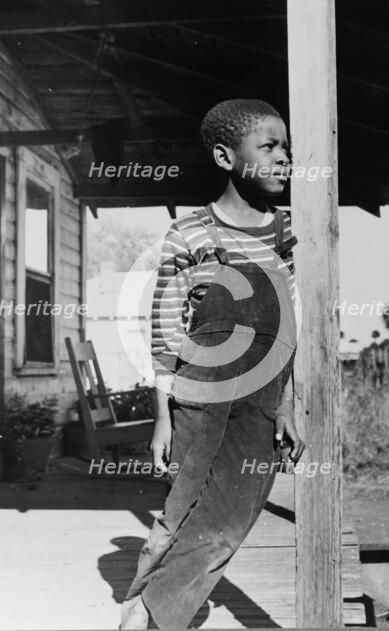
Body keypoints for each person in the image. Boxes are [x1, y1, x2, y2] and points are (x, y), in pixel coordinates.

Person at [120, 99, 305, 629]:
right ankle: (151, 615)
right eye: (268, 147)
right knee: (184, 507)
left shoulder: (287, 233)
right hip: (200, 392)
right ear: (226, 157)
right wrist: (161, 415)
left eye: (286, 147)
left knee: (233, 515)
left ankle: (149, 612)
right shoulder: (190, 233)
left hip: (263, 393)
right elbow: (165, 330)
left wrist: (288, 405)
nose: (283, 157)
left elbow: (292, 325)